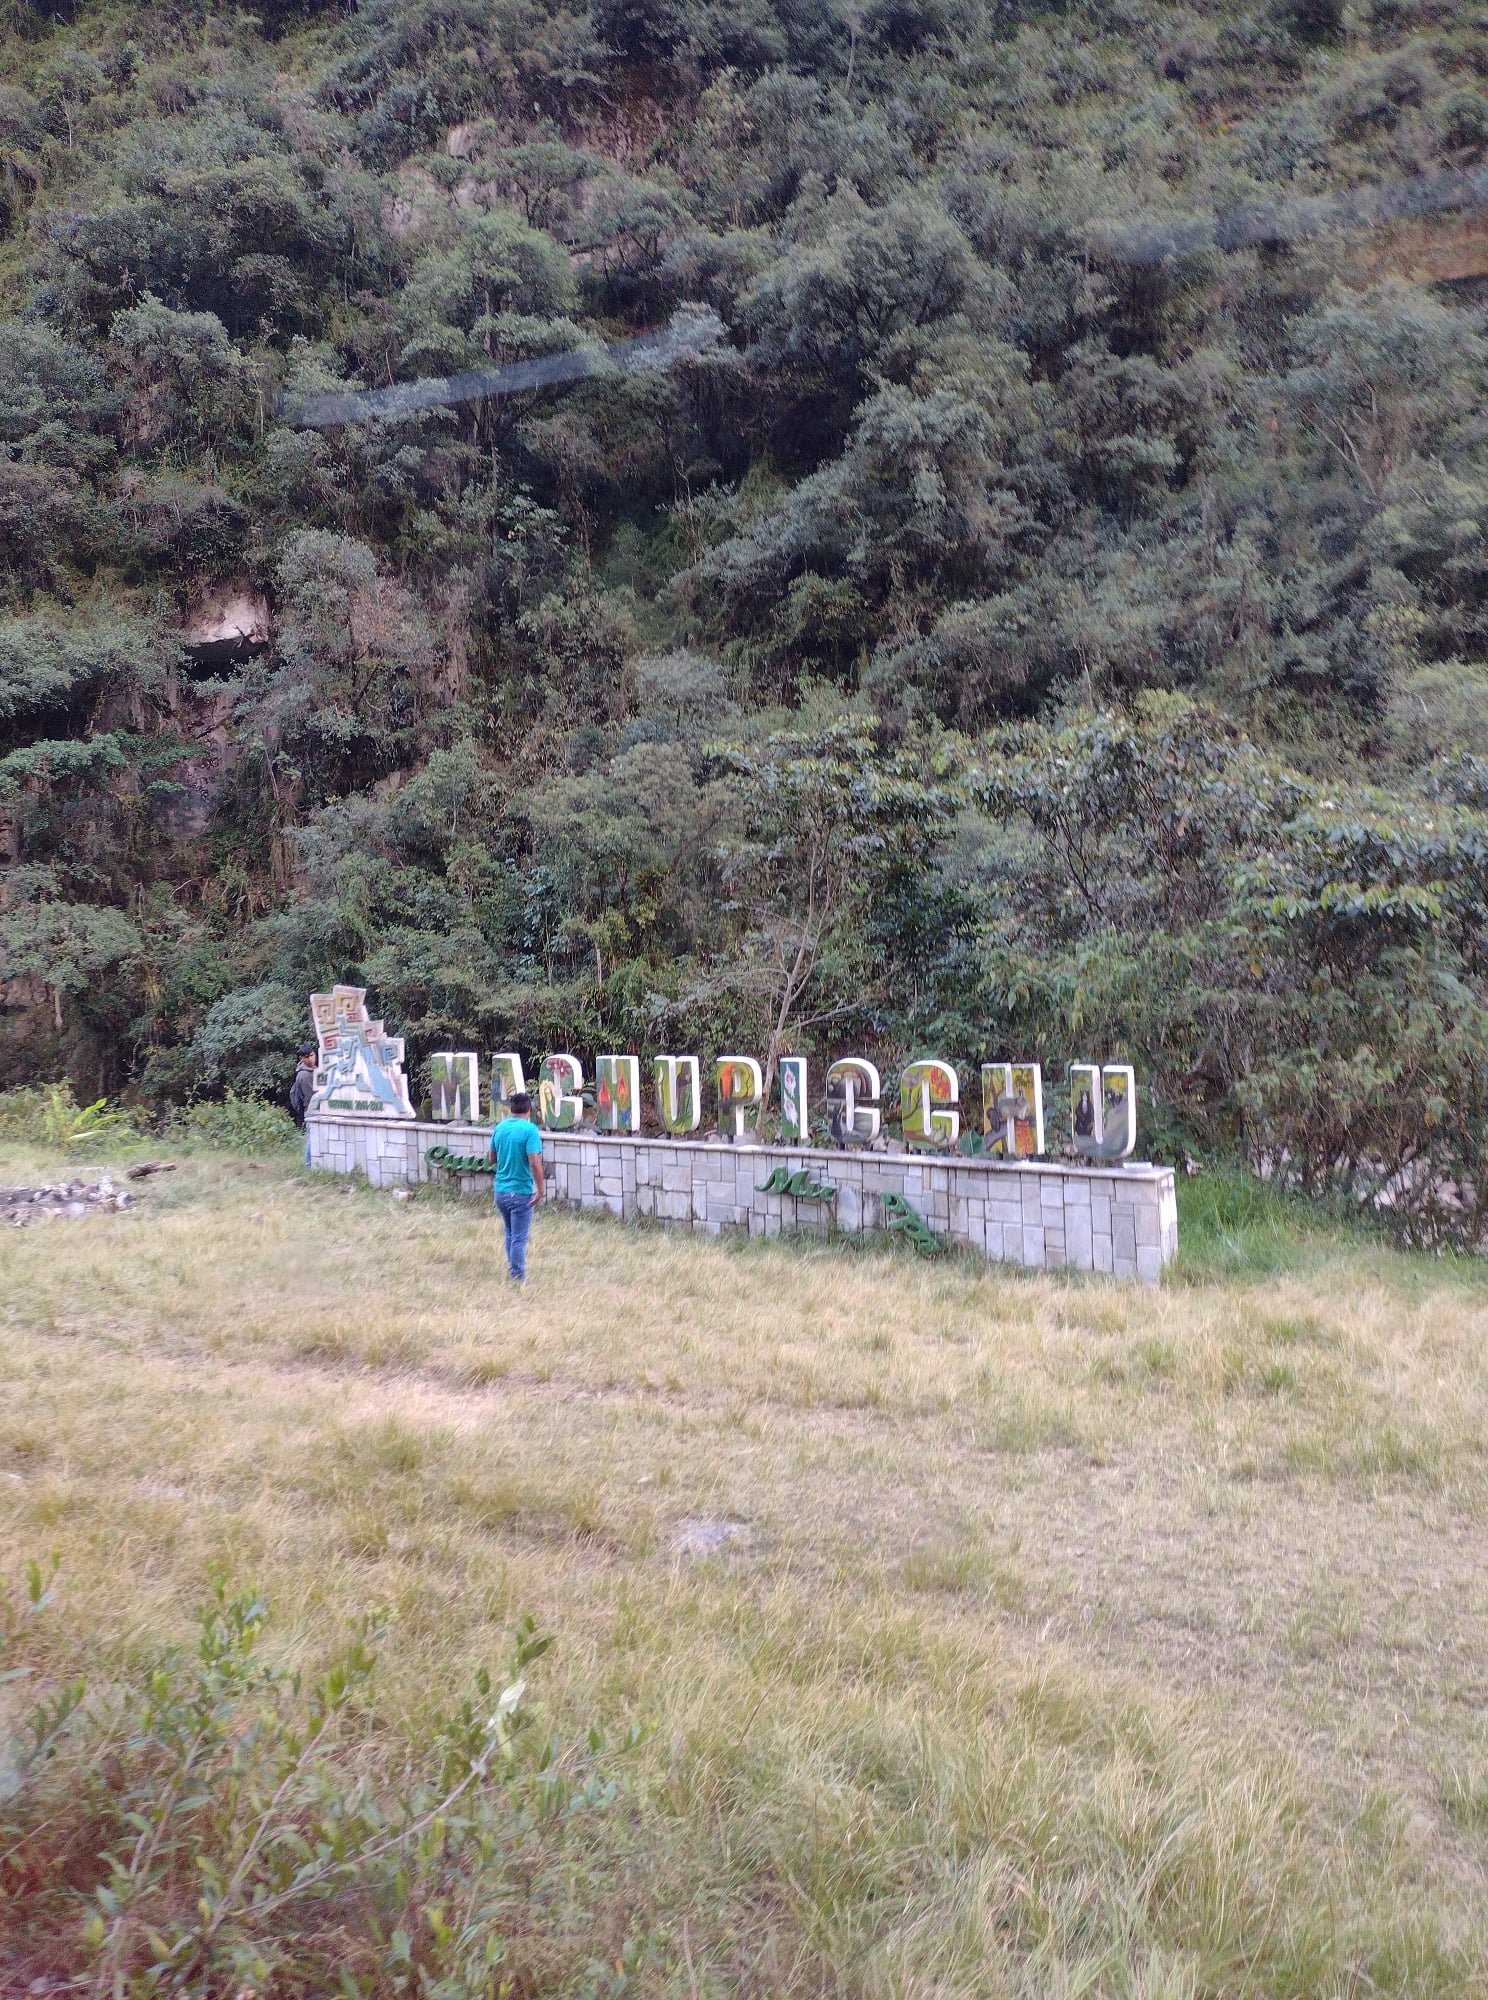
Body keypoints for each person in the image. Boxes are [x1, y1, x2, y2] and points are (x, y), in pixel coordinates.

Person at [490, 1090, 545, 1283]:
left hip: (500, 1191)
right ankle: (518, 1276)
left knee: (510, 1232)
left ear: (511, 1109)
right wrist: (540, 1190)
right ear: (530, 1110)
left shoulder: (499, 1128)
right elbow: (535, 1162)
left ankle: (513, 1270)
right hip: (521, 1192)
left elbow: (492, 1158)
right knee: (519, 1237)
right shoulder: (530, 1130)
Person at [289, 1043, 318, 1163]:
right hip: (311, 1110)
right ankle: (308, 1164)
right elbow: (311, 1096)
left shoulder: (313, 1070)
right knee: (313, 1139)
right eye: (306, 1057)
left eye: (311, 1055)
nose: (310, 1059)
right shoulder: (304, 1075)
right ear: (301, 1058)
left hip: (315, 1109)